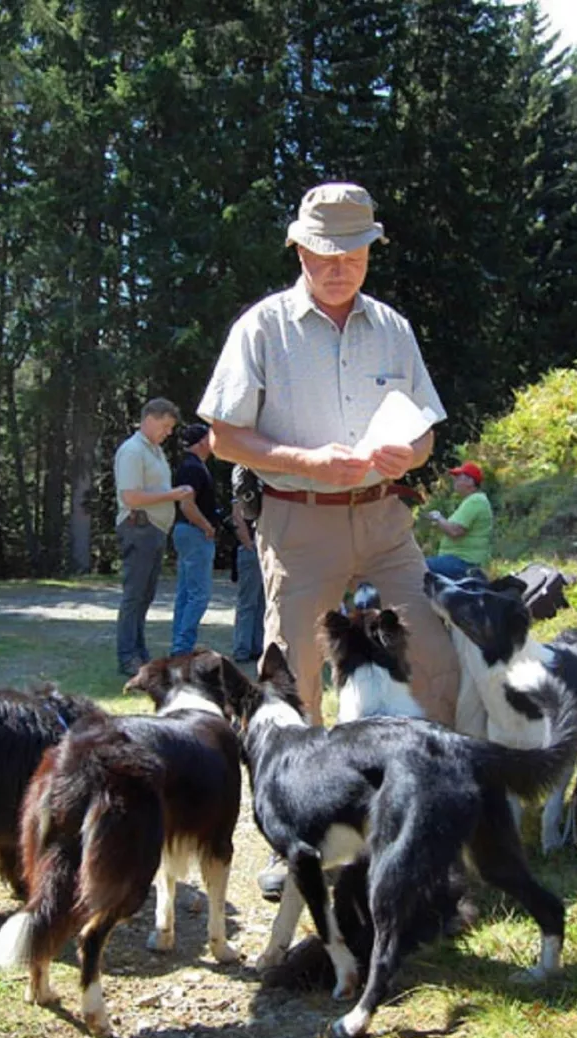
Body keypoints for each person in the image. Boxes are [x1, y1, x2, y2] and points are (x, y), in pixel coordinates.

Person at [197, 180, 461, 730]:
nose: (341, 267)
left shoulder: (394, 329)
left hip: (385, 521)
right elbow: (223, 438)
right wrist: (306, 462)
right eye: (326, 255)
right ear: (300, 249)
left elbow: (426, 434)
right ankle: (310, 807)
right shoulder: (261, 329)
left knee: (434, 657)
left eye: (355, 255)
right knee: (295, 677)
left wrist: (408, 457)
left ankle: (425, 792)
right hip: (298, 523)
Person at [113, 398, 193, 677]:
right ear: (150, 418)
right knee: (134, 596)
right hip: (139, 528)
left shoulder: (154, 451)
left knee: (145, 596)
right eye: (165, 426)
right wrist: (172, 495)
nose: (168, 432)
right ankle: (127, 657)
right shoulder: (133, 451)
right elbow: (131, 496)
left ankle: (139, 651)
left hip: (153, 530)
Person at [169, 423, 220, 656]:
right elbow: (187, 504)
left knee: (186, 592)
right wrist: (207, 526)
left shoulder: (192, 466)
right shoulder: (193, 468)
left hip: (186, 531)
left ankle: (180, 645)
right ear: (201, 442)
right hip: (194, 532)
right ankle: (182, 647)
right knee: (199, 594)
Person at [424, 461, 493, 580]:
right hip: (462, 561)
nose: (454, 480)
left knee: (418, 567)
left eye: (458, 477)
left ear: (470, 482)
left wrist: (438, 518)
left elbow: (455, 531)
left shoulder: (475, 501)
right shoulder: (473, 501)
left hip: (463, 563)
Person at [230, 465, 265, 664]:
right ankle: (242, 649)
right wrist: (248, 543)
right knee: (247, 602)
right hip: (251, 548)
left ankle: (257, 647)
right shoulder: (243, 474)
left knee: (262, 601)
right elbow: (237, 514)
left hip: (265, 547)